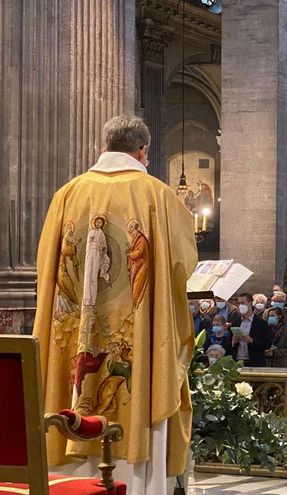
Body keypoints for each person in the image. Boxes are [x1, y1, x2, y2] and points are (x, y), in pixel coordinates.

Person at [34, 115, 197, 494]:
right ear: (143, 151)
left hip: (77, 321)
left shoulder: (67, 195)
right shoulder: (157, 195)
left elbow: (46, 268)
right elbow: (180, 266)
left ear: (103, 147)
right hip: (136, 333)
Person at [231, 295, 272, 367]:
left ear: (250, 303)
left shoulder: (261, 323)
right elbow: (229, 343)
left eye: (243, 303)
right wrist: (233, 342)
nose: (240, 305)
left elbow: (267, 344)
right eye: (239, 303)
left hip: (254, 362)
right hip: (237, 361)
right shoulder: (236, 322)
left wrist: (251, 340)